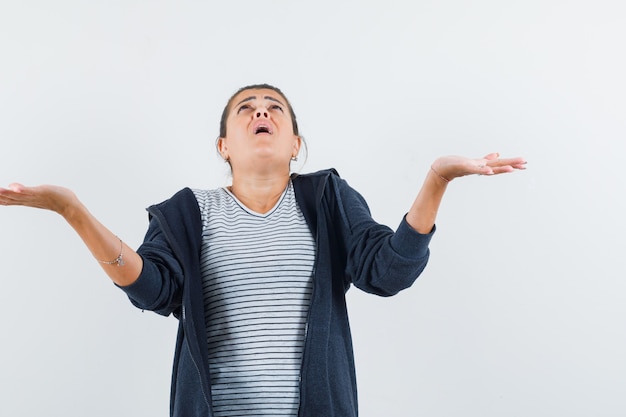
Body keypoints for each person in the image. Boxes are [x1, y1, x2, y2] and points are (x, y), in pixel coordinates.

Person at [0, 83, 526, 417]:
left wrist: (436, 178)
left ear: (295, 142)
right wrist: (72, 210)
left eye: (275, 108)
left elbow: (387, 270)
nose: (262, 112)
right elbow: (152, 288)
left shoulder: (328, 200)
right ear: (224, 145)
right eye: (246, 109)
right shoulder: (188, 212)